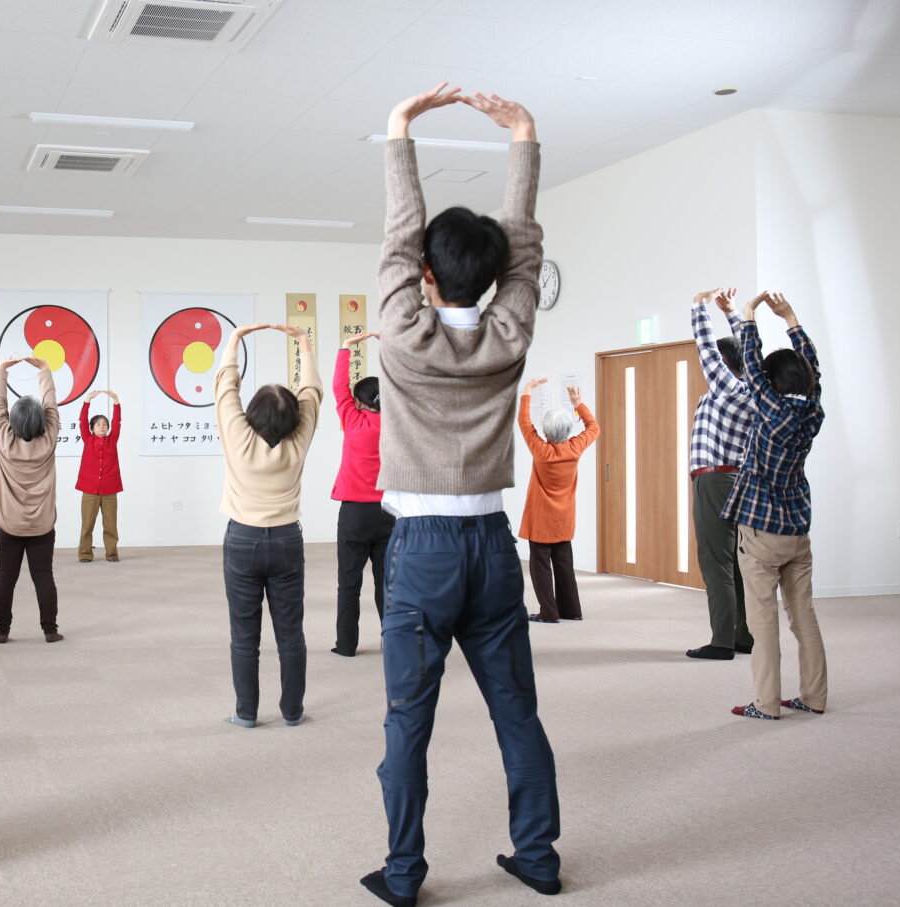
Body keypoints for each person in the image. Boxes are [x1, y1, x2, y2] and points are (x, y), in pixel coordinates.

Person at [360, 85, 562, 907]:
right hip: (491, 546)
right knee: (517, 712)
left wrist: (399, 128)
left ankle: (405, 875)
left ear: (425, 277)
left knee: (409, 723)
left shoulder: (402, 336)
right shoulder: (512, 333)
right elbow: (522, 251)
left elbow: (397, 235)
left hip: (424, 554)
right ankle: (539, 857)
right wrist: (523, 141)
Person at [721, 291, 827, 721]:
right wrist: (791, 320)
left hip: (761, 532)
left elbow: (750, 364)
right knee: (805, 619)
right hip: (797, 529)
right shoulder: (812, 411)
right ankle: (815, 697)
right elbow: (813, 372)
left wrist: (746, 316)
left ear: (773, 383)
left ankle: (766, 704)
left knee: (762, 621)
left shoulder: (769, 410)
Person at [215, 322, 322, 728]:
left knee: (245, 634)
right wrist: (304, 344)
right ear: (294, 416)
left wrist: (235, 340)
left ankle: (246, 713)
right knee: (290, 632)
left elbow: (226, 388)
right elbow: (311, 393)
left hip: (242, 539)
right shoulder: (300, 438)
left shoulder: (237, 436)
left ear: (252, 414)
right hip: (287, 541)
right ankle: (292, 711)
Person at [685, 287, 756, 660]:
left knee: (716, 563)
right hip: (735, 479)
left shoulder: (728, 388)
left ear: (726, 365)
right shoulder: (749, 389)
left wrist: (700, 308)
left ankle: (721, 642)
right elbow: (749, 354)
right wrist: (732, 314)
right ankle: (742, 635)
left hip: (715, 480)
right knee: (736, 564)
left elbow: (706, 349)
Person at [0, 356, 64, 644]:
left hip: (8, 525)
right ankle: (50, 629)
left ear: (12, 422)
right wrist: (45, 372)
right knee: (43, 576)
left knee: (4, 576)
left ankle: (1, 631)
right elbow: (52, 407)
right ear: (43, 423)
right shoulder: (49, 441)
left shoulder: (4, 440)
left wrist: (0, 372)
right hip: (42, 527)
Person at [331, 331, 394, 656]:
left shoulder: (353, 421)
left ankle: (346, 645)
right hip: (388, 514)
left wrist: (347, 348)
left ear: (359, 402)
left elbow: (338, 388)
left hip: (354, 514)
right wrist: (392, 347)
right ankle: (393, 642)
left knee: (349, 584)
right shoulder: (398, 424)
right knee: (388, 585)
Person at [517, 378, 599, 624]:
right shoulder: (575, 448)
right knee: (564, 565)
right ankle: (572, 610)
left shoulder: (541, 451)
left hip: (541, 520)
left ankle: (549, 613)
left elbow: (524, 423)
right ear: (568, 431)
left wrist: (527, 392)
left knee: (540, 568)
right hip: (564, 519)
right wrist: (578, 404)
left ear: (545, 431)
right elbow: (593, 427)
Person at [76, 389, 122, 563]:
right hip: (89, 489)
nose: (102, 426)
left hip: (110, 489)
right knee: (87, 524)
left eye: (104, 424)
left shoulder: (112, 439)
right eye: (98, 424)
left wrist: (116, 402)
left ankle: (112, 553)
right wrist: (87, 401)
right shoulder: (88, 439)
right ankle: (85, 554)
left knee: (110, 525)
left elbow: (117, 422)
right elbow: (82, 420)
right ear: (92, 428)